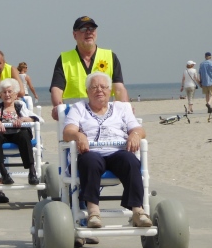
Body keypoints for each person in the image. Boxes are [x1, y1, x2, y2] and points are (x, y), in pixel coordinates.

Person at [62, 72, 152, 230]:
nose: (99, 90)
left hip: (117, 152)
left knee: (130, 161)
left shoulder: (121, 108)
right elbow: (67, 132)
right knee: (90, 161)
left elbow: (139, 129)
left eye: (103, 87)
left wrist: (135, 135)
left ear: (109, 90)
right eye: (94, 87)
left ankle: (137, 210)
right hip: (92, 152)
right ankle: (93, 211)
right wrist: (78, 135)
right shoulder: (79, 108)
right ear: (87, 90)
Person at [49, 16, 130, 121]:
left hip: (107, 118)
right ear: (74, 35)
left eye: (92, 29)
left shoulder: (110, 56)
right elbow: (56, 89)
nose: (88, 32)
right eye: (83, 29)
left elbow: (119, 88)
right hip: (76, 118)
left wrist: (125, 107)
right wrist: (58, 107)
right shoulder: (64, 59)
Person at [0, 78, 41, 203]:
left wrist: (24, 119)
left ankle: (32, 172)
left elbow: (39, 119)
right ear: (0, 94)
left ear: (16, 94)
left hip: (18, 133)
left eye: (10, 92)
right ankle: (3, 172)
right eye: (4, 92)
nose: (7, 95)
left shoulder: (20, 106)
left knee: (24, 135)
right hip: (2, 134)